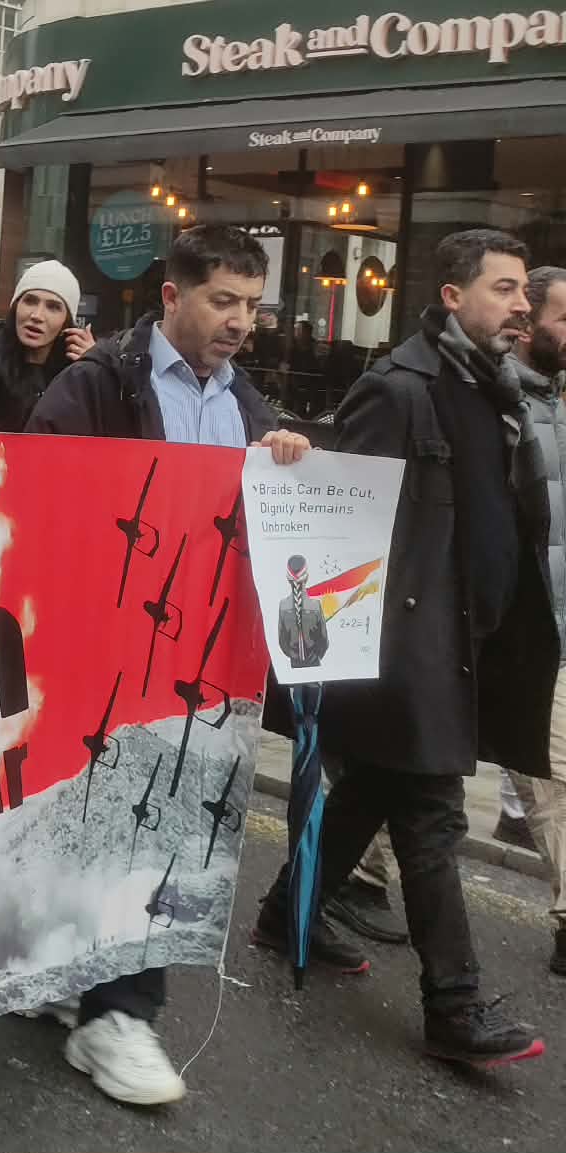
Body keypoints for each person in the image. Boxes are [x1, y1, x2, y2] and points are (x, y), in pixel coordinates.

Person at [26, 224, 314, 1107]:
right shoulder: (94, 385)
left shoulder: (250, 407)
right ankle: (74, 974)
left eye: (252, 305)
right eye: (222, 300)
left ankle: (120, 1011)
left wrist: (288, 471)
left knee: (163, 824)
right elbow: (44, 498)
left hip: (200, 659)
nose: (240, 322)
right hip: (101, 644)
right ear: (172, 296)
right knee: (86, 816)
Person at [296, 229, 554, 1066]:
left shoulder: (496, 386)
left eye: (523, 292)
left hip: (470, 641)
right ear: (452, 295)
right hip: (410, 648)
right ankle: (455, 1004)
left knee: (372, 790)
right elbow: (345, 521)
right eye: (504, 289)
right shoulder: (400, 388)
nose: (520, 306)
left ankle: (285, 911)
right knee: (433, 816)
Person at [507, 263, 566, 977]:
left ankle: (359, 872)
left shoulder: (557, 399)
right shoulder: (496, 401)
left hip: (556, 622)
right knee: (549, 778)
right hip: (510, 622)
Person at [0, 260, 93, 432]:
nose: (37, 315)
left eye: (53, 307)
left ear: (66, 322)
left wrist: (95, 370)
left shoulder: (81, 377)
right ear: (15, 307)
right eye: (30, 301)